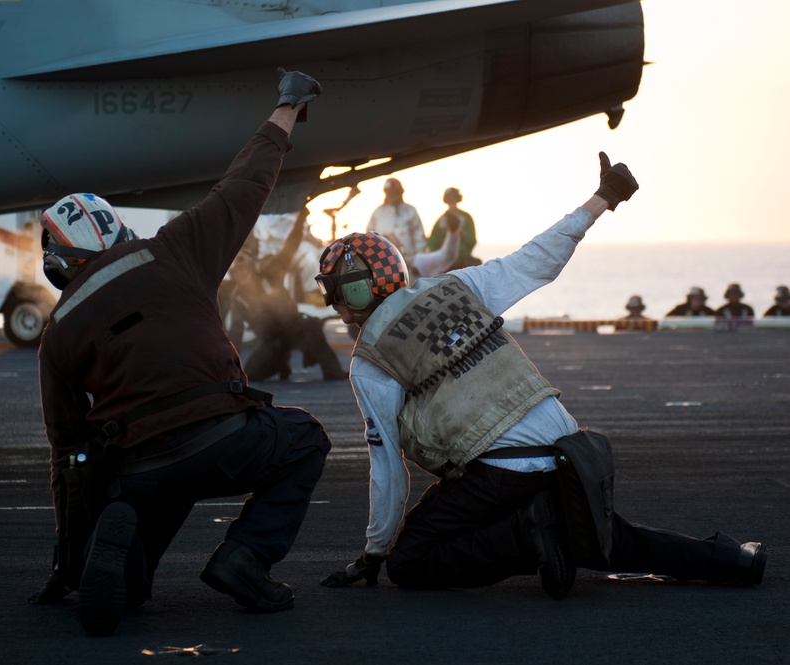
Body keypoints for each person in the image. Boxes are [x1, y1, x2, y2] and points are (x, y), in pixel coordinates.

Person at [314, 152, 766, 599]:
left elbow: (389, 469)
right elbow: (538, 257)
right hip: (567, 447)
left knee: (410, 561)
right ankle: (734, 560)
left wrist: (375, 552)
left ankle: (529, 534)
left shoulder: (370, 363)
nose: (335, 305)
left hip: (505, 469)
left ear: (352, 293)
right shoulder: (460, 286)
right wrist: (603, 199)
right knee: (611, 540)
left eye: (335, 293)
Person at [29, 70, 332, 637]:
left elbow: (67, 454)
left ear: (58, 262)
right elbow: (245, 184)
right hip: (225, 437)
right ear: (117, 232)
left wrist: (67, 565)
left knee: (135, 556)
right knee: (306, 440)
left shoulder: (59, 328)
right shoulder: (174, 250)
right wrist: (286, 107)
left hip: (139, 465)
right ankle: (243, 557)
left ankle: (124, 567)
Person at [227, 207, 346, 381]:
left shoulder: (271, 273)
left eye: (244, 262)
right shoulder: (238, 298)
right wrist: (229, 365)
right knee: (250, 375)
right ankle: (281, 363)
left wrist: (301, 219)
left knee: (312, 327)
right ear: (234, 273)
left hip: (295, 329)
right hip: (272, 342)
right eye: (237, 266)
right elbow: (235, 332)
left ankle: (332, 371)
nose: (241, 267)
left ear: (252, 264)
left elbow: (291, 245)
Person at [365, 177, 425, 266]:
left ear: (400, 192)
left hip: (409, 264)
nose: (391, 195)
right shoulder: (378, 213)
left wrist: (418, 263)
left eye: (394, 193)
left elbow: (419, 239)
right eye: (389, 193)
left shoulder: (410, 211)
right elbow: (369, 238)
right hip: (383, 264)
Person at [427, 187, 480, 269]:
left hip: (462, 261)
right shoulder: (441, 220)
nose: (451, 201)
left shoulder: (466, 217)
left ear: (457, 199)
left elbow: (472, 239)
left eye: (452, 198)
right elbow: (433, 241)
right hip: (444, 263)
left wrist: (462, 234)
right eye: (448, 198)